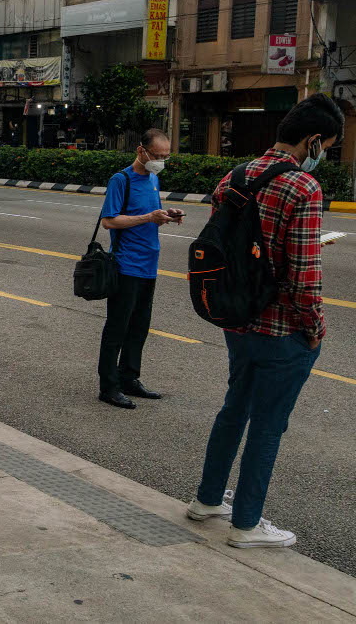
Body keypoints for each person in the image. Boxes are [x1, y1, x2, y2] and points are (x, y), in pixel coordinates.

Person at [186, 94, 343, 548]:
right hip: (281, 329)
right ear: (314, 140)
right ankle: (246, 525)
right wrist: (314, 329)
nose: (324, 156)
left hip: (237, 320)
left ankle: (207, 500)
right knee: (269, 424)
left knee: (235, 408)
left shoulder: (235, 176)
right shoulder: (303, 187)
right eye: (327, 147)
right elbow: (304, 277)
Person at [97, 129, 185, 410]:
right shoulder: (120, 180)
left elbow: (150, 216)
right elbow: (109, 221)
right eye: (157, 155)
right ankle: (108, 387)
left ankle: (129, 378)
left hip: (149, 265)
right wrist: (148, 217)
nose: (161, 161)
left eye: (166, 156)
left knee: (139, 327)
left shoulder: (154, 179)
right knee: (117, 328)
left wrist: (167, 215)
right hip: (126, 265)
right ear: (141, 151)